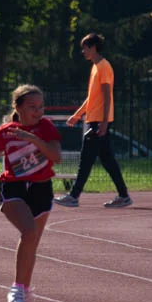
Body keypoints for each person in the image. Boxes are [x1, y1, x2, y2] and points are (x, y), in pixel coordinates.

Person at [0, 84, 62, 302]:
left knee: (32, 241)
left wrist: (33, 139)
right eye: (32, 107)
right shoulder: (6, 131)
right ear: (18, 108)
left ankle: (25, 289)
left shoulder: (46, 128)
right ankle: (17, 287)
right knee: (28, 232)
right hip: (14, 187)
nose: (37, 111)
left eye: (40, 106)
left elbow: (56, 157)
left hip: (41, 188)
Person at [55, 32, 132, 209]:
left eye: (85, 48)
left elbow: (107, 96)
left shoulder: (104, 66)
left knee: (86, 159)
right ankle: (123, 195)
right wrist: (78, 114)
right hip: (95, 119)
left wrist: (104, 122)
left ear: (94, 48)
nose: (83, 51)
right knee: (108, 160)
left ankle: (73, 196)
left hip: (99, 121)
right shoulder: (95, 67)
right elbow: (92, 97)